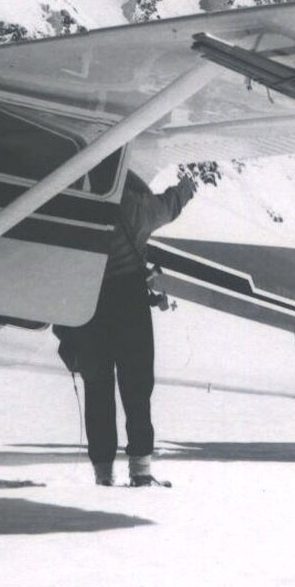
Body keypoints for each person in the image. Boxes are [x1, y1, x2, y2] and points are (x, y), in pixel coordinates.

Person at [55, 170, 197, 486]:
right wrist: (186, 188)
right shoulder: (131, 207)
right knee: (137, 387)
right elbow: (167, 207)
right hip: (128, 300)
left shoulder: (70, 204)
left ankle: (103, 474)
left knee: (97, 389)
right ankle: (141, 471)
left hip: (88, 302)